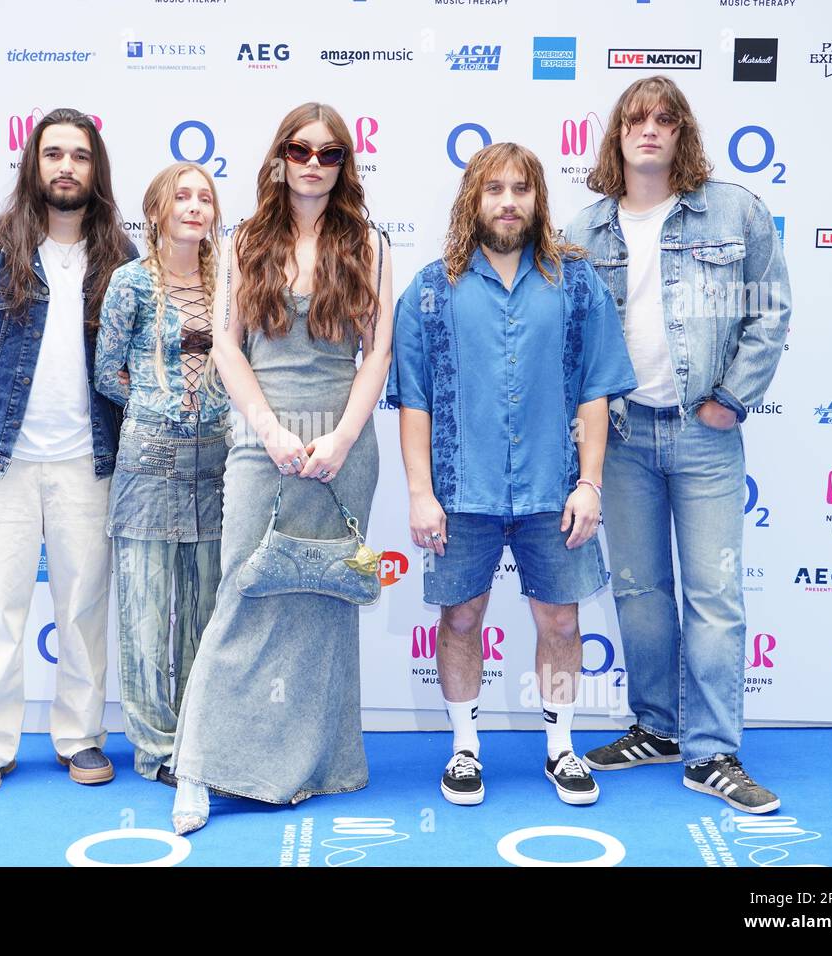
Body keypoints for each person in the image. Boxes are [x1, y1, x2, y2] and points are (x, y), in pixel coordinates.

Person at [563, 76, 791, 813]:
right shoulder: (587, 229)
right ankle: (658, 727)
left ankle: (713, 752)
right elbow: (572, 341)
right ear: (618, 136)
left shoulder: (734, 211)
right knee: (638, 593)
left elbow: (770, 308)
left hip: (703, 433)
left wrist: (732, 398)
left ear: (682, 132)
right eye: (637, 119)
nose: (650, 130)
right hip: (622, 437)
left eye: (665, 119)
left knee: (715, 596)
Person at [169, 102, 393, 834]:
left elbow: (377, 355)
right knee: (242, 593)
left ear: (344, 166)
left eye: (330, 155)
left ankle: (315, 765)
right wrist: (267, 432)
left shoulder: (371, 244)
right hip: (262, 443)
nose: (314, 164)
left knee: (322, 603)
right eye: (301, 150)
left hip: (343, 447)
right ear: (280, 157)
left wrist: (339, 440)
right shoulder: (245, 242)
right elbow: (227, 347)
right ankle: (197, 769)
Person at [389, 143, 636, 807]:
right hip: (461, 491)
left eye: (519, 189)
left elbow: (595, 393)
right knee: (461, 621)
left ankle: (561, 749)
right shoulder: (430, 289)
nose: (507, 201)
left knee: (560, 624)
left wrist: (589, 484)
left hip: (552, 491)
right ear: (473, 199)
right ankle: (465, 749)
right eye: (493, 188)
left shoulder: (576, 284)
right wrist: (420, 494)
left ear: (536, 200)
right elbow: (415, 401)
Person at [0, 107, 136, 796]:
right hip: (3, 461)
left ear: (95, 169)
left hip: (89, 460)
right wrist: (0, 421)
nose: (65, 166)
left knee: (84, 604)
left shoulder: (120, 259)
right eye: (53, 153)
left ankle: (81, 737)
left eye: (79, 156)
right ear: (34, 164)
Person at [94, 163, 229, 785]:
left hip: (217, 467)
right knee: (145, 617)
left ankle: (200, 741)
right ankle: (156, 750)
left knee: (206, 614)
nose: (195, 207)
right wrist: (159, 399)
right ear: (156, 210)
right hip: (147, 466)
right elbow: (106, 373)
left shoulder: (228, 283)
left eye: (205, 197)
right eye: (182, 196)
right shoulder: (129, 283)